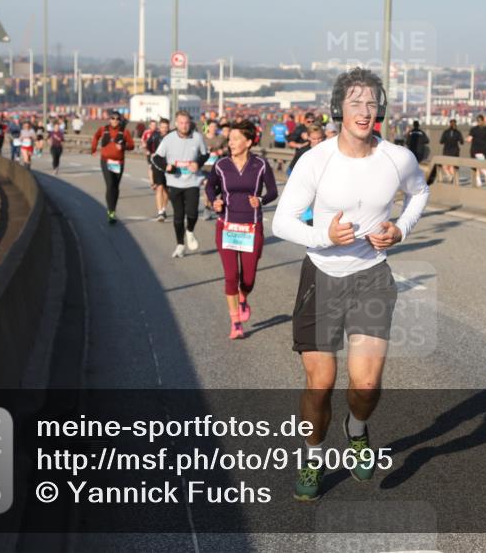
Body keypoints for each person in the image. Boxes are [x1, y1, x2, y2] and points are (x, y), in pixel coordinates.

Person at [272, 67, 429, 501]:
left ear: (381, 109)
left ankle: (356, 430)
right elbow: (281, 222)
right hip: (322, 277)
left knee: (365, 385)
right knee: (320, 382)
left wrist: (400, 229)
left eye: (372, 103)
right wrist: (324, 235)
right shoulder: (316, 160)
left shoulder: (397, 158)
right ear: (339, 108)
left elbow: (419, 193)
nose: (364, 111)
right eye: (355, 102)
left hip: (371, 276)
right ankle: (313, 456)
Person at [205, 121, 279, 339]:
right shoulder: (221, 164)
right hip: (227, 225)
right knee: (231, 276)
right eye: (230, 139)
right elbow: (210, 186)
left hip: (251, 227)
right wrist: (214, 200)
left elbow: (273, 191)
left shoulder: (260, 164)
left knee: (248, 279)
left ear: (248, 142)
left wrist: (261, 200)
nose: (231, 143)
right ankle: (235, 322)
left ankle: (243, 296)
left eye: (236, 139)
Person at [152, 111, 210, 257]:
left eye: (186, 123)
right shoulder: (168, 139)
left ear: (190, 123)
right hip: (175, 181)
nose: (184, 126)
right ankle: (180, 245)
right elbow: (156, 157)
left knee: (192, 212)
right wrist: (166, 166)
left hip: (192, 181)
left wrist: (198, 163)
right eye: (181, 123)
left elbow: (205, 154)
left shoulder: (197, 137)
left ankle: (189, 231)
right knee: (178, 216)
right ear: (176, 124)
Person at [91, 111, 135, 224]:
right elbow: (96, 136)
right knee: (110, 185)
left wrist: (123, 147)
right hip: (106, 161)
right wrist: (93, 149)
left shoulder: (124, 132)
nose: (114, 120)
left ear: (120, 120)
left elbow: (132, 146)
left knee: (115, 187)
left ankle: (113, 210)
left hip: (119, 163)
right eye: (112, 118)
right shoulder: (103, 129)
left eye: (117, 119)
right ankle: (110, 211)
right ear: (109, 119)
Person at [146, 118, 170, 221]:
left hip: (169, 165)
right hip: (157, 164)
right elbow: (148, 144)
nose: (164, 129)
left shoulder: (172, 136)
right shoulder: (155, 135)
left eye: (166, 127)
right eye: (162, 127)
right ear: (159, 127)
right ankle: (160, 212)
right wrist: (151, 153)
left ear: (168, 127)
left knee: (167, 190)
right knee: (159, 187)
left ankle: (164, 208)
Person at [467, 114, 486, 187]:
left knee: (476, 166)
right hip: (484, 150)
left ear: (477, 121)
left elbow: (469, 140)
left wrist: (467, 139)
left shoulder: (473, 129)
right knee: (481, 164)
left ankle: (481, 179)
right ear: (483, 120)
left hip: (475, 150)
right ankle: (484, 176)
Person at [439, 118, 464, 183]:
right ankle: (452, 178)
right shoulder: (458, 132)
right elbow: (462, 142)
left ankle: (450, 176)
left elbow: (441, 141)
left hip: (447, 151)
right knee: (451, 166)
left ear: (450, 124)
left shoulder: (446, 132)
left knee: (445, 166)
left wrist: (447, 140)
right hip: (455, 151)